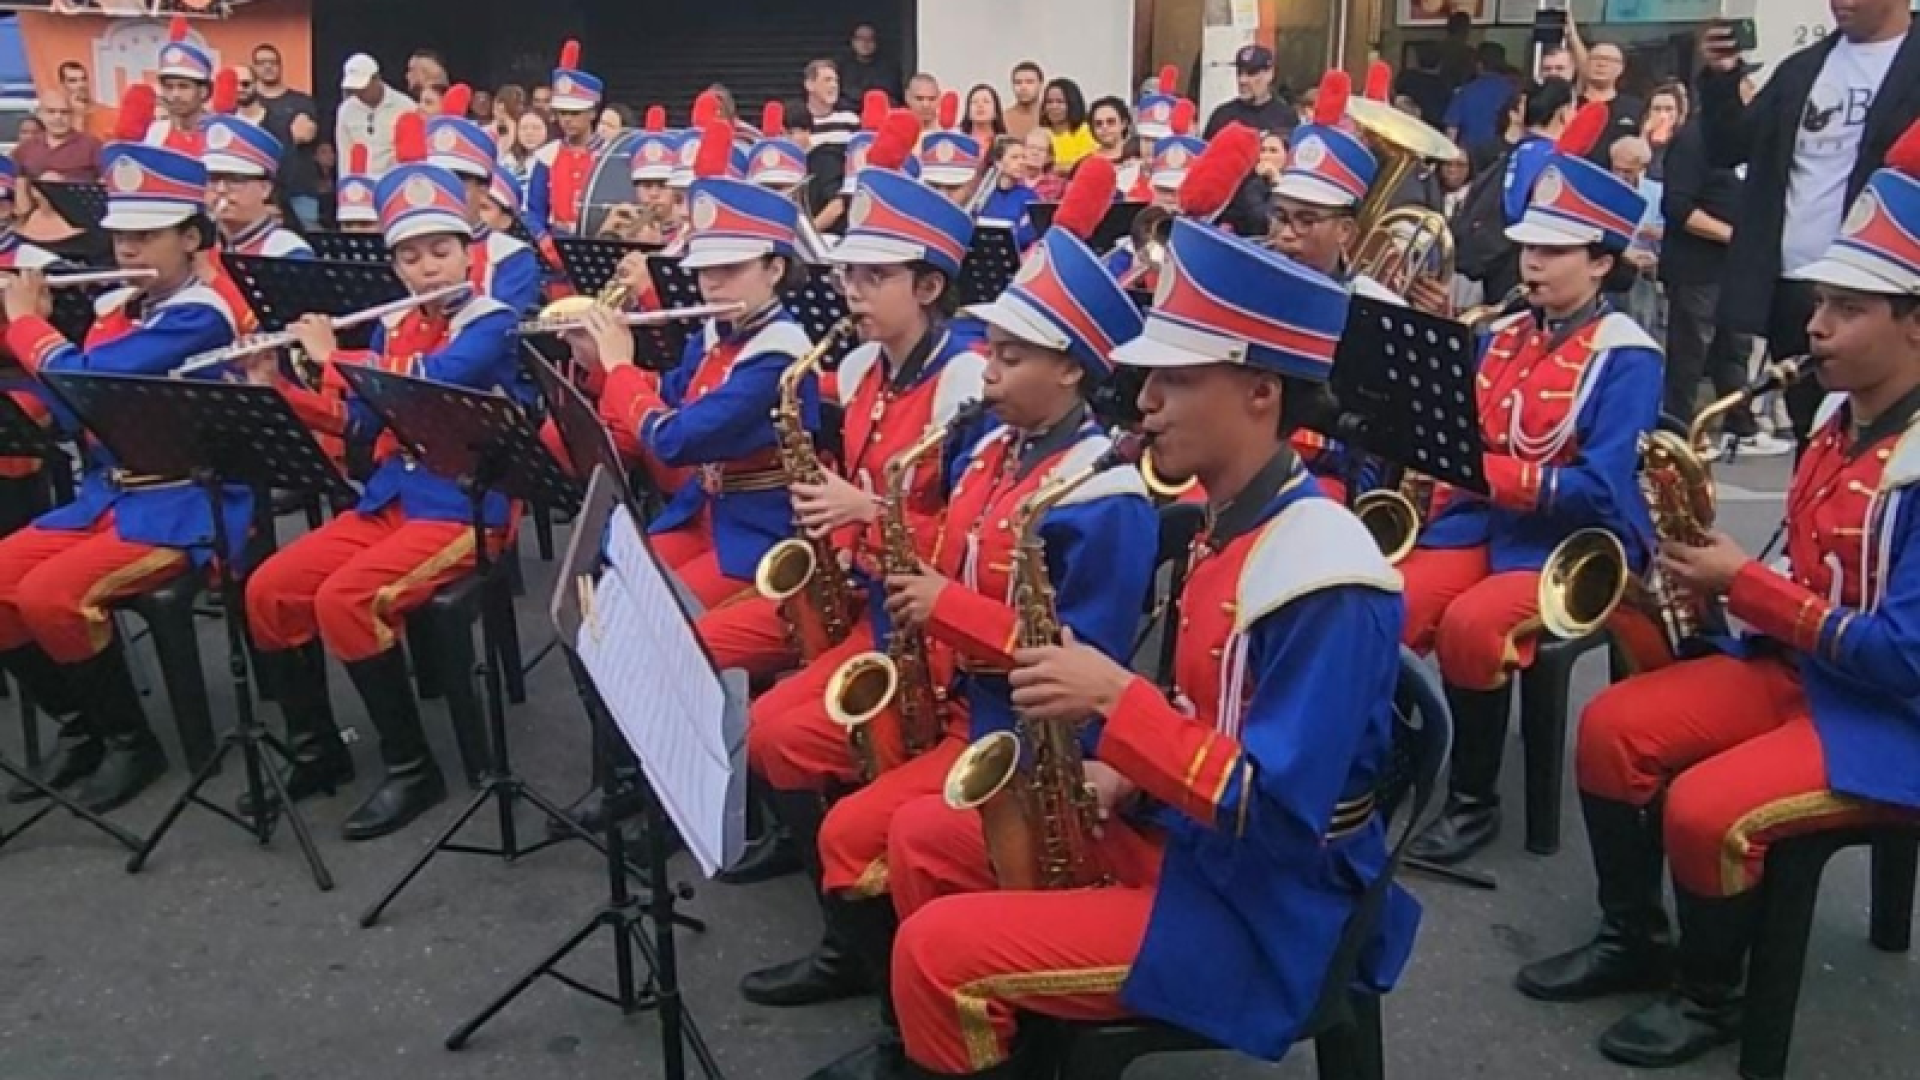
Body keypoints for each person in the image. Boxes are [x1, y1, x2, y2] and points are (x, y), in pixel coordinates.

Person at [853, 217, 1418, 1080]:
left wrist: (1117, 704)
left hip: (1261, 910)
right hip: (1195, 845)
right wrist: (1127, 776)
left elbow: (1279, 811)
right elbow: (1212, 716)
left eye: (1175, 380)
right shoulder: (1231, 519)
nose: (1143, 402)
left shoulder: (1324, 572)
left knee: (935, 952)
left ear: (1261, 392)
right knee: (925, 835)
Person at [1514, 126, 1920, 1069]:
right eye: (1820, 301)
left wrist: (1747, 586)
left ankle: (1713, 995)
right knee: (1611, 728)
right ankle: (1633, 937)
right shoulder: (1835, 416)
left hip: (1888, 714)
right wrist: (1701, 585)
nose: (1814, 326)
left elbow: (1905, 658)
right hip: (1803, 669)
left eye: (1848, 308)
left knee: (1704, 807)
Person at [798, 221, 1158, 1080]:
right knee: (854, 830)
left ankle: (963, 1027)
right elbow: (948, 549)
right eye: (989, 350)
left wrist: (947, 609)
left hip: (1033, 739)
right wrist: (878, 535)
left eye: (1009, 356)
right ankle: (917, 1018)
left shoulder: (1104, 495)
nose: (985, 370)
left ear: (1070, 369)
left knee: (875, 832)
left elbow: (1088, 655)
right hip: (964, 704)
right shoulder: (995, 450)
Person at [724, 154, 990, 1004]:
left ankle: (861, 945)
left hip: (935, 632)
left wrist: (863, 512)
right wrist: (840, 530)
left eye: (876, 277)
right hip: (878, 607)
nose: (853, 292)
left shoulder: (965, 382)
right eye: (849, 274)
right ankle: (840, 907)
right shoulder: (860, 368)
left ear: (929, 285)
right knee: (766, 729)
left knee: (784, 737)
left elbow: (974, 537)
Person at [1400, 104, 1667, 866]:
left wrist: (1487, 472)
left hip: (1569, 545)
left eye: (1554, 251)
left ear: (1601, 263)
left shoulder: (1627, 354)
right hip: (1483, 525)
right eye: (1528, 248)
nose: (1532, 264)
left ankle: (1472, 802)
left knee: (1472, 626)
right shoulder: (1505, 331)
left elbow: (1603, 490)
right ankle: (1385, 761)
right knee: (1388, 601)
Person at [243, 115, 519, 841]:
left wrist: (333, 357)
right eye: (411, 257)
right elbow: (361, 425)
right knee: (270, 589)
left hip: (466, 505)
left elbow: (431, 383)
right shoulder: (393, 327)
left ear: (468, 252)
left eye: (441, 251)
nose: (427, 268)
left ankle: (411, 767)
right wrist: (281, 389)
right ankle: (317, 750)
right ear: (393, 266)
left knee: (345, 599)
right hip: (396, 496)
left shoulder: (491, 320)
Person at [0, 141, 239, 815]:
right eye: (121, 236)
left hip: (181, 504)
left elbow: (89, 382)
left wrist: (26, 325)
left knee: (51, 595)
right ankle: (83, 724)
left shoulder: (203, 314)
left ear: (190, 238)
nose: (128, 249)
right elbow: (68, 407)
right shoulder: (116, 308)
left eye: (146, 236)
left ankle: (131, 742)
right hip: (109, 496)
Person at [587, 121, 814, 613]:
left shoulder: (778, 356)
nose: (712, 284)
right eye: (705, 269)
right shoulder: (719, 331)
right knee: (612, 581)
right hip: (705, 511)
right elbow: (671, 392)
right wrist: (596, 357)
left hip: (757, 533)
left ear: (774, 269)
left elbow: (675, 441)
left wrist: (619, 368)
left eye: (730, 269)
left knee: (660, 614)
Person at [1697, 0, 1919, 447]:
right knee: (1812, 429)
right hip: (1798, 281)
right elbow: (1728, 147)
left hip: (1886, 283)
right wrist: (1722, 77)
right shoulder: (1802, 69)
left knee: (1889, 430)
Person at [1659, 108, 1789, 456]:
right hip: (1696, 266)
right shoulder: (1694, 139)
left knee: (1734, 350)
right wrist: (1733, 235)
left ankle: (1740, 427)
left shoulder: (1748, 142)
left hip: (1735, 267)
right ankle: (1678, 432)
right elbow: (1678, 206)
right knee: (1690, 352)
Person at [425, 91, 542, 315]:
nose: (444, 192)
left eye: (457, 182)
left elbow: (502, 328)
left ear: (483, 190)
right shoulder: (411, 247)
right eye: (436, 180)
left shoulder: (510, 256)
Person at [203, 87, 314, 260]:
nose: (221, 189)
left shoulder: (285, 251)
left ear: (265, 189)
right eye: (213, 179)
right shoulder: (205, 249)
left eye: (235, 180)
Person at [525, 41, 605, 238]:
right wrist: (542, 238)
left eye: (574, 113)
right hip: (556, 241)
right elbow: (535, 210)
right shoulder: (547, 155)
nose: (567, 119)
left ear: (592, 113)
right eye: (562, 112)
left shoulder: (608, 153)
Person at [249, 44, 322, 233]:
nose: (268, 67)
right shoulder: (248, 105)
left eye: (272, 62)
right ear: (254, 68)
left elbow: (305, 134)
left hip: (299, 186)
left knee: (309, 237)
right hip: (260, 189)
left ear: (280, 66)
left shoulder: (300, 101)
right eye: (261, 63)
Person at [336, 53, 415, 176]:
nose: (359, 93)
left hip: (396, 179)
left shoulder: (406, 106)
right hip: (361, 182)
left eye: (364, 88)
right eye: (355, 89)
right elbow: (345, 155)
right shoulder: (345, 111)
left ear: (377, 79)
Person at [147, 16, 214, 154]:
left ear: (203, 91)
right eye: (169, 87)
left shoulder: (218, 134)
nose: (175, 94)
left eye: (183, 86)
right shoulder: (154, 135)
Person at [1204, 44, 1295, 139]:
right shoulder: (1222, 116)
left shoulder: (1286, 117)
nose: (1242, 80)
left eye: (1251, 73)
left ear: (1269, 74)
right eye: (1239, 72)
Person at [12, 92, 102, 185]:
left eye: (64, 112)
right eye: (51, 112)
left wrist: (64, 181)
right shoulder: (26, 147)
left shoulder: (91, 145)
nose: (58, 117)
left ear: (73, 115)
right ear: (40, 114)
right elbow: (10, 180)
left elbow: (106, 183)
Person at [1444, 43, 1517, 156]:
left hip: (1470, 154)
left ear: (1479, 64)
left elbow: (1451, 129)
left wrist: (1450, 157)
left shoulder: (1466, 91)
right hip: (1502, 153)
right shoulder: (1512, 90)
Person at [1579, 42, 1644, 163]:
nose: (1601, 64)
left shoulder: (1636, 108)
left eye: (1609, 60)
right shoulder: (1569, 105)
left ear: (1621, 68)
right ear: (1586, 64)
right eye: (1596, 58)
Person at [840, 22, 904, 106]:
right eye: (860, 38)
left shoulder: (889, 67)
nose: (865, 42)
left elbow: (890, 94)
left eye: (870, 38)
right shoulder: (842, 66)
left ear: (876, 42)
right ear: (853, 41)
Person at [1040, 78, 1095, 172]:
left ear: (1073, 103)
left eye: (1060, 102)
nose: (1054, 106)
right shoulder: (1041, 133)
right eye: (1049, 102)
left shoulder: (1086, 131)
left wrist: (1053, 168)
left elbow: (1085, 167)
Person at [1397, 41, 1451, 129]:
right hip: (1430, 131)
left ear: (1418, 61)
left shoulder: (1406, 78)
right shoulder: (1443, 88)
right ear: (1440, 64)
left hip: (1402, 127)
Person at [1642, 81, 1686, 181]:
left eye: (1669, 109)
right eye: (1657, 109)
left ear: (1678, 114)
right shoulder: (1637, 137)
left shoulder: (1685, 143)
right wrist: (1644, 136)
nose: (1662, 116)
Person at [1087, 96, 1136, 167]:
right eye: (1098, 123)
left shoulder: (1142, 156)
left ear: (1124, 123)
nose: (1104, 127)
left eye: (1110, 121)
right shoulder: (1085, 163)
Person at [1003, 61, 1044, 139]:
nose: (1023, 87)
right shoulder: (1003, 119)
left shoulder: (1051, 117)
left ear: (1041, 84)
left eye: (1029, 82)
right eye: (1018, 83)